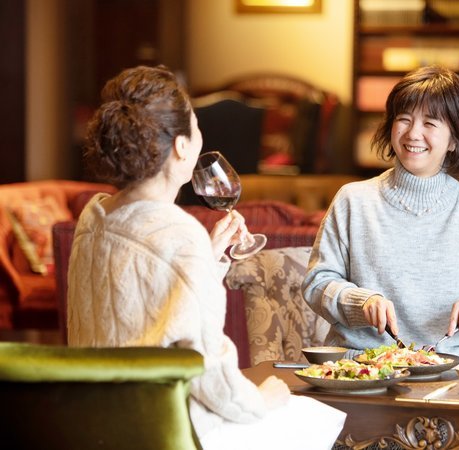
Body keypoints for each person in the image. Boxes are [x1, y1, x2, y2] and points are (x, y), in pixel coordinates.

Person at [67, 65, 345, 450]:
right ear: (182, 146)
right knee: (319, 419)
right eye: (196, 126)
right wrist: (263, 399)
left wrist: (208, 257)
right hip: (163, 426)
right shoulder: (179, 234)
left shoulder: (94, 215)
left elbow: (145, 309)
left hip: (95, 421)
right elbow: (209, 370)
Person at [302, 65, 459, 362]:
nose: (413, 134)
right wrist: (362, 301)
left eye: (430, 123)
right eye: (404, 119)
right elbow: (317, 283)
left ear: (454, 140)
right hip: (360, 368)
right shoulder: (353, 201)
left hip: (451, 369)